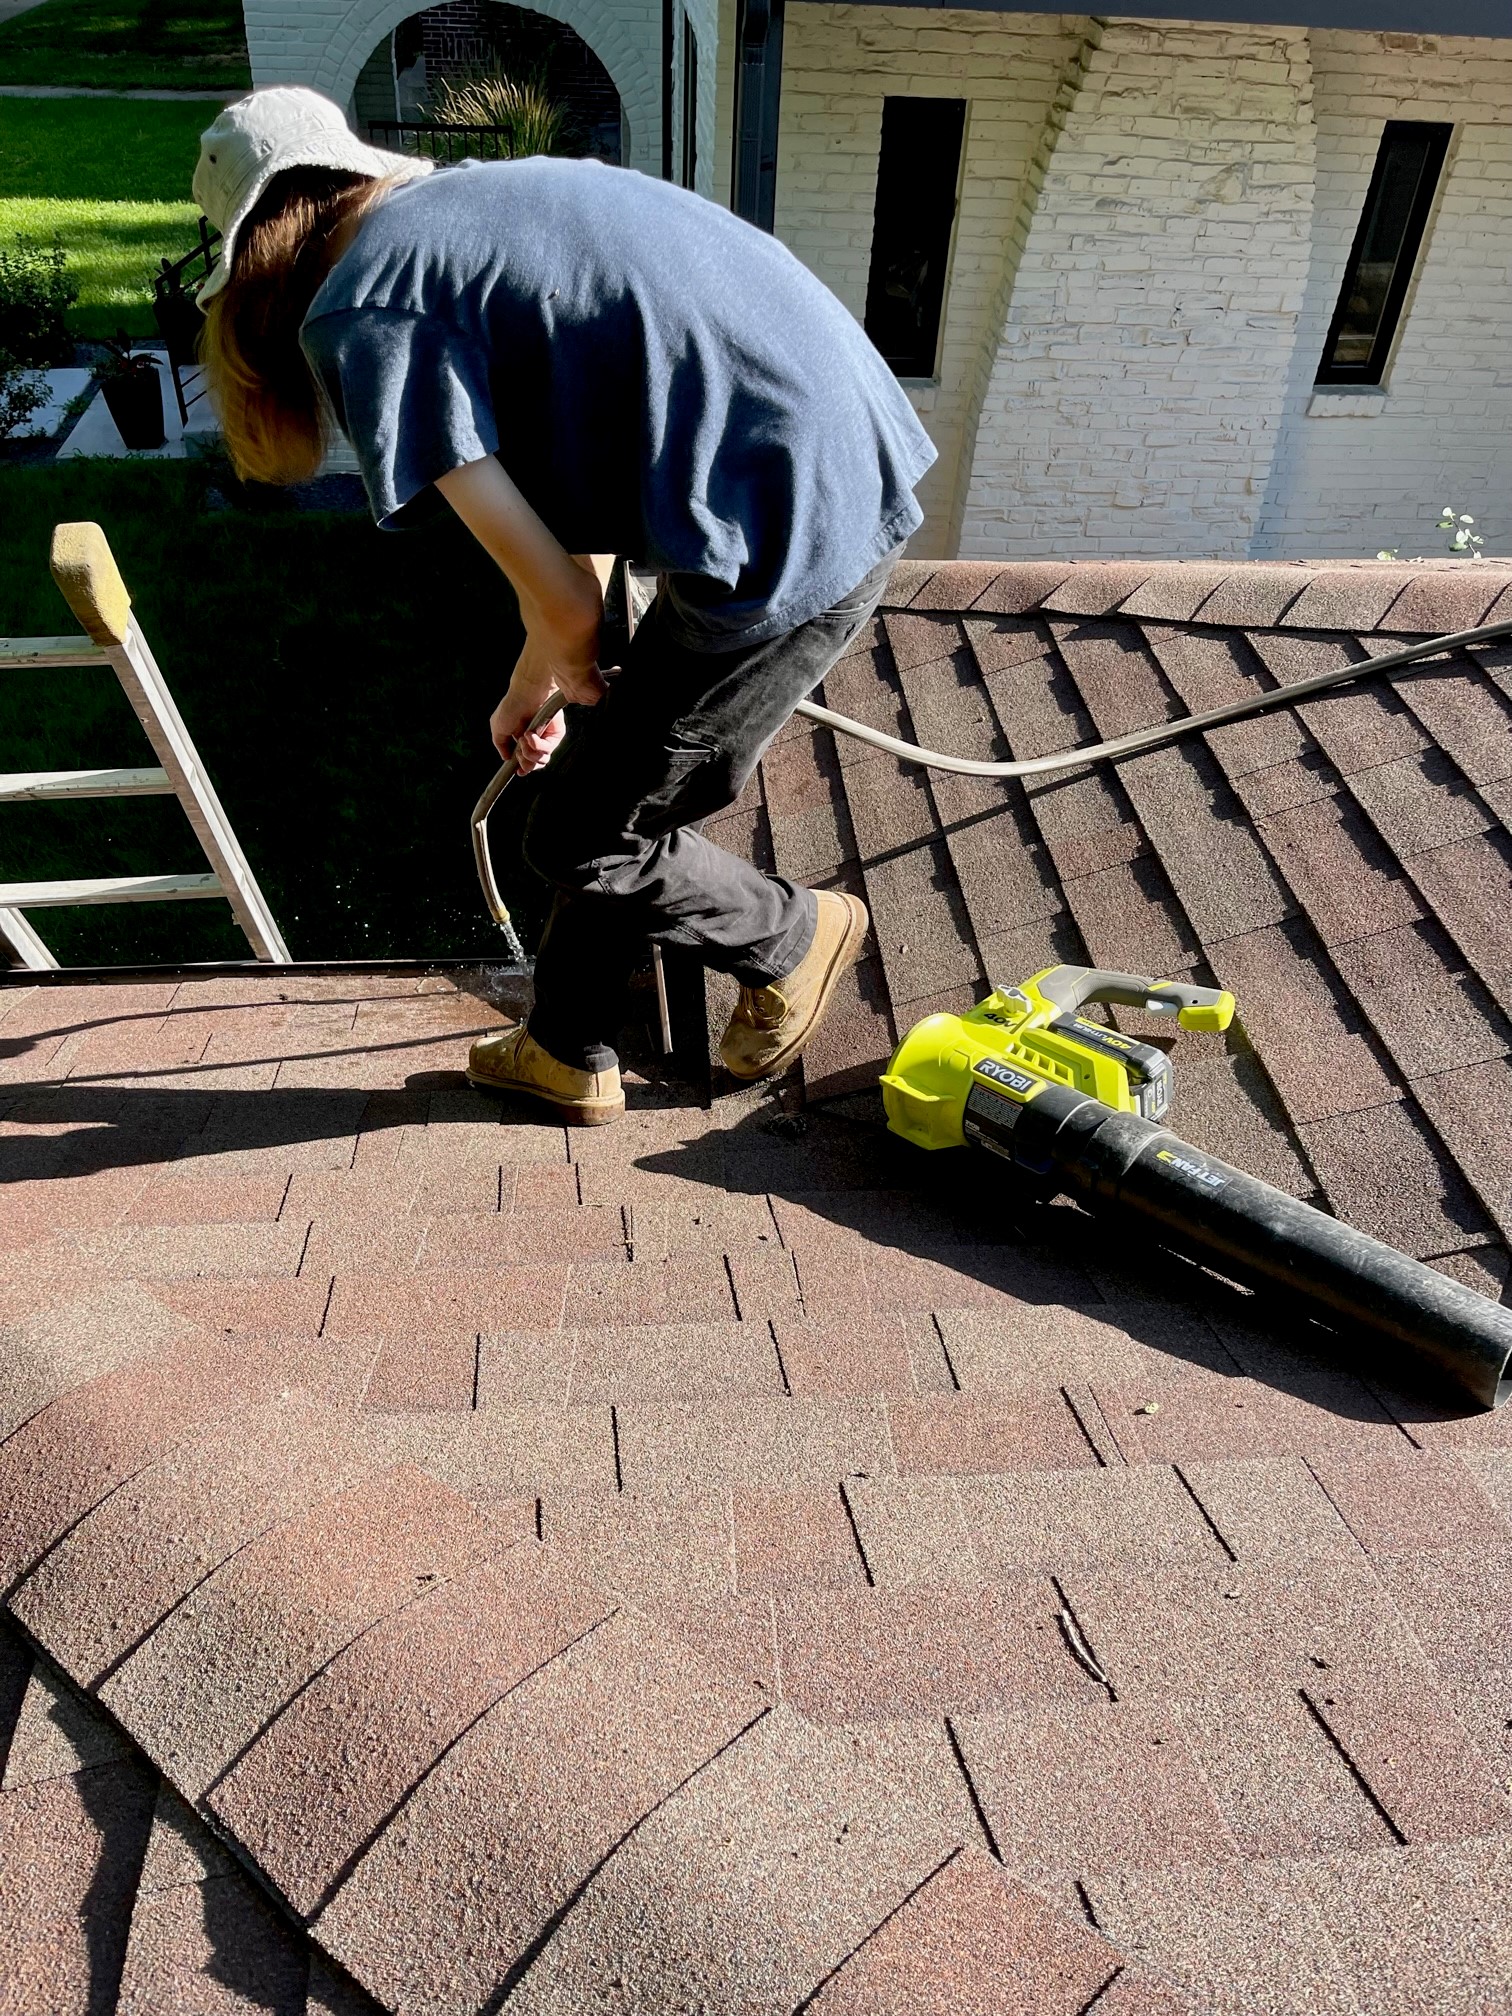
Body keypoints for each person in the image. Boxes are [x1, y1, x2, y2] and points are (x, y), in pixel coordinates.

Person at [194, 86, 936, 1125]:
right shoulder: (463, 217)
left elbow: (569, 600)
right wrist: (534, 684)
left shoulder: (367, 307)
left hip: (785, 521)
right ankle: (564, 1047)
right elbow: (563, 524)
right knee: (609, 785)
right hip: (826, 459)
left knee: (583, 836)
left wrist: (564, 648)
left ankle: (795, 935)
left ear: (256, 265)